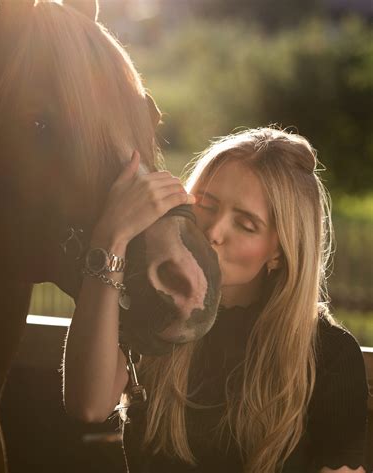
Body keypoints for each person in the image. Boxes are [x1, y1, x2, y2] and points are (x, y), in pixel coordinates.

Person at [63, 127, 369, 473]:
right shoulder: (151, 312)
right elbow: (88, 404)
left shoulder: (329, 354)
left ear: (279, 253)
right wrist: (112, 236)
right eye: (206, 204)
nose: (213, 232)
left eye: (246, 224)